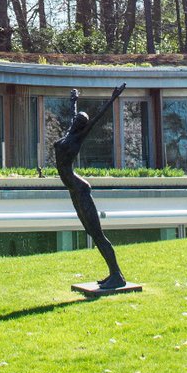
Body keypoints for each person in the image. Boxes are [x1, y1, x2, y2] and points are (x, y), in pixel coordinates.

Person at [55, 84, 127, 290]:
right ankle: (114, 274)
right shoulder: (71, 131)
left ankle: (117, 276)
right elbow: (73, 115)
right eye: (77, 120)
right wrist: (74, 100)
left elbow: (96, 119)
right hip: (73, 190)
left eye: (80, 121)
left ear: (82, 126)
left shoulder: (79, 135)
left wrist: (113, 97)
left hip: (80, 189)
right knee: (91, 233)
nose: (76, 121)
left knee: (97, 234)